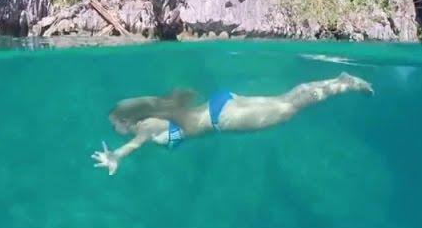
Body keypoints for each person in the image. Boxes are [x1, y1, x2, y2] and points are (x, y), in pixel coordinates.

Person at [92, 72, 374, 176]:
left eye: (114, 124)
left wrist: (114, 156)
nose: (114, 130)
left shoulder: (146, 127)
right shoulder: (156, 117)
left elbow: (132, 146)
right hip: (220, 104)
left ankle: (341, 86)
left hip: (220, 119)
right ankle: (339, 82)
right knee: (284, 100)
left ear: (127, 120)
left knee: (287, 109)